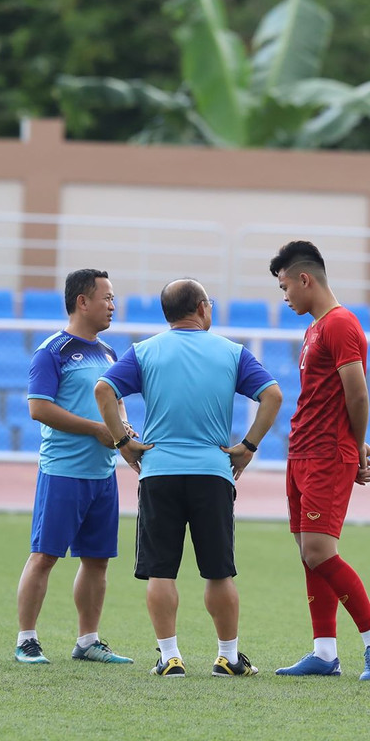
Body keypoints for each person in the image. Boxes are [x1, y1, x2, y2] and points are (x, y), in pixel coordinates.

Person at [94, 278, 283, 678]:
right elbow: (273, 396)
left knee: (161, 570)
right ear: (201, 307)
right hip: (214, 472)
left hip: (159, 470)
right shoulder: (231, 352)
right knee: (219, 571)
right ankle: (228, 657)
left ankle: (170, 656)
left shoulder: (144, 351)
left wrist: (123, 440)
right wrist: (247, 446)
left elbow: (104, 389)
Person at [269, 240, 370, 681]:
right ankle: (325, 653)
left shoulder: (341, 324)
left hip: (326, 453)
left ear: (305, 279)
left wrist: (356, 446)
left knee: (322, 552)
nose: (284, 296)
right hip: (302, 451)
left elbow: (357, 392)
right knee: (309, 554)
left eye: (285, 286)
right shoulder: (315, 328)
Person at [14, 269, 136, 666]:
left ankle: (88, 640)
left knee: (97, 560)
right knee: (44, 555)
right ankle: (27, 640)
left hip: (103, 473)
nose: (113, 305)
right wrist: (96, 429)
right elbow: (39, 408)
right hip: (64, 470)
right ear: (82, 301)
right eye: (107, 297)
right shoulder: (53, 350)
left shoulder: (109, 353)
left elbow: (116, 400)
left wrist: (122, 427)